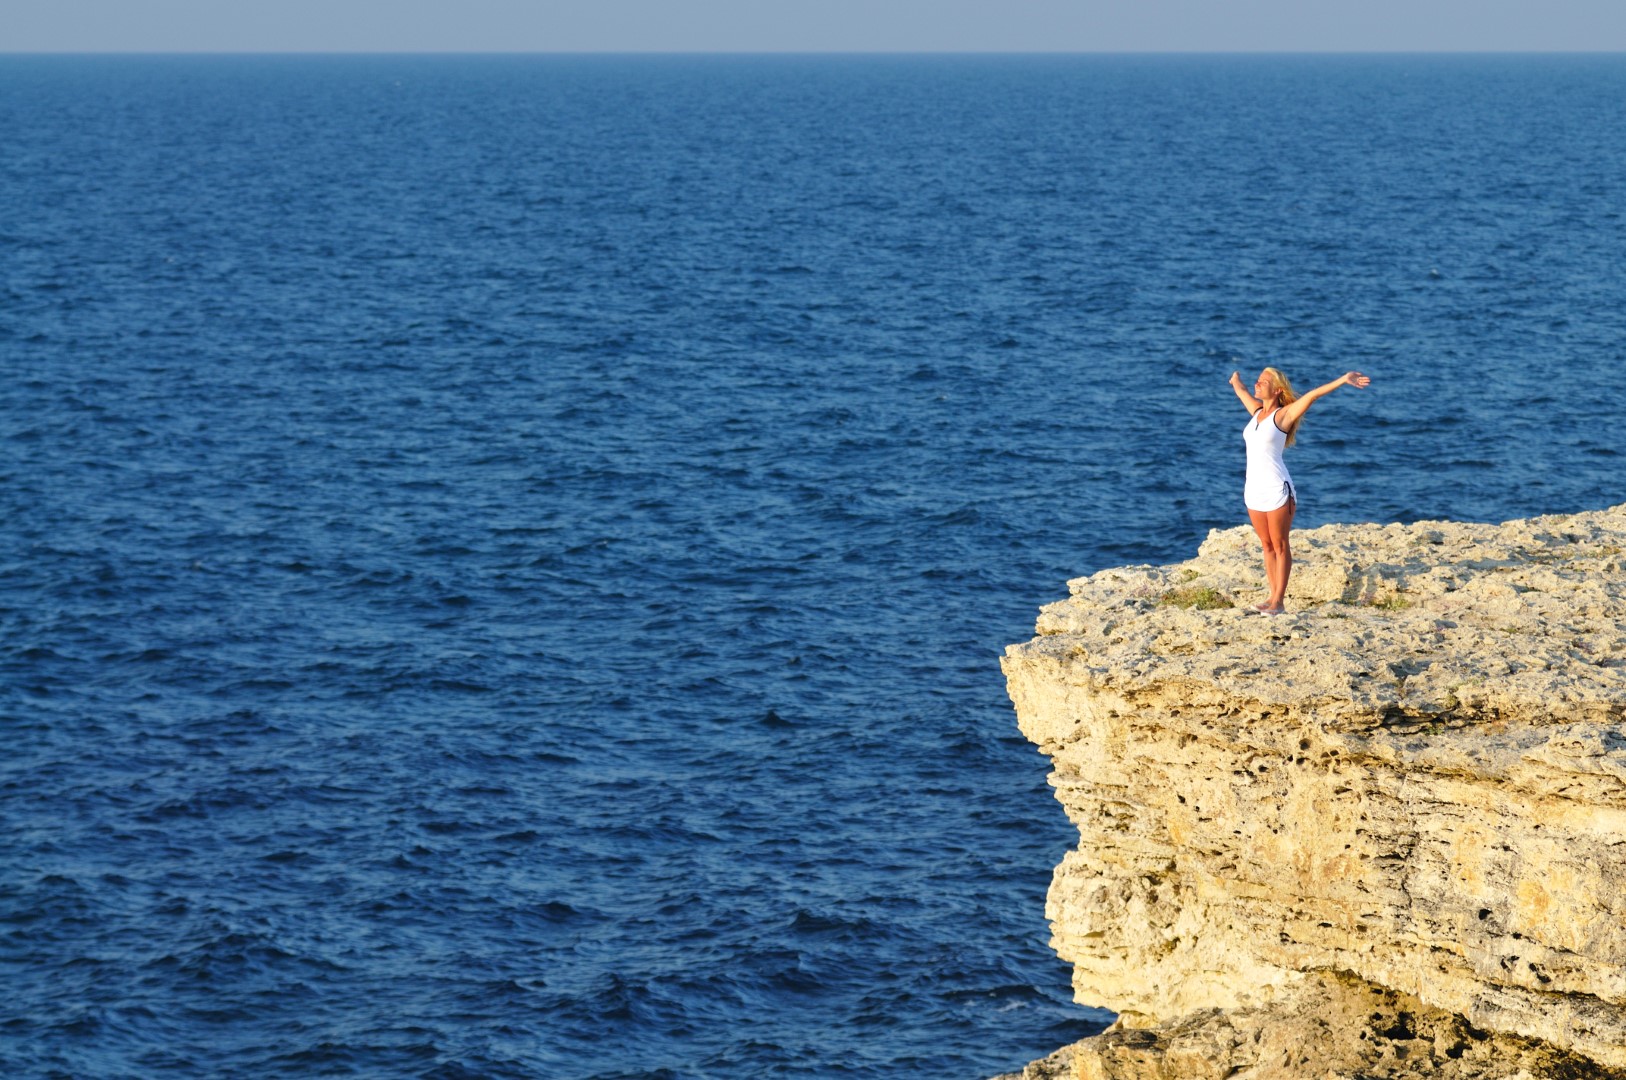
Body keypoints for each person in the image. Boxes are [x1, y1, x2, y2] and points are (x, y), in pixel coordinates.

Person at [1228, 367, 1371, 614]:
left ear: (1277, 390)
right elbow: (1241, 391)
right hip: (1253, 490)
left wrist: (1343, 380)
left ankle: (1279, 602)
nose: (1257, 384)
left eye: (1264, 381)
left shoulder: (1283, 416)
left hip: (1276, 488)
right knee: (1266, 545)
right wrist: (1236, 381)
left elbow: (1312, 396)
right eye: (1258, 380)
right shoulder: (1257, 413)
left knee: (1280, 544)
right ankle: (1271, 596)